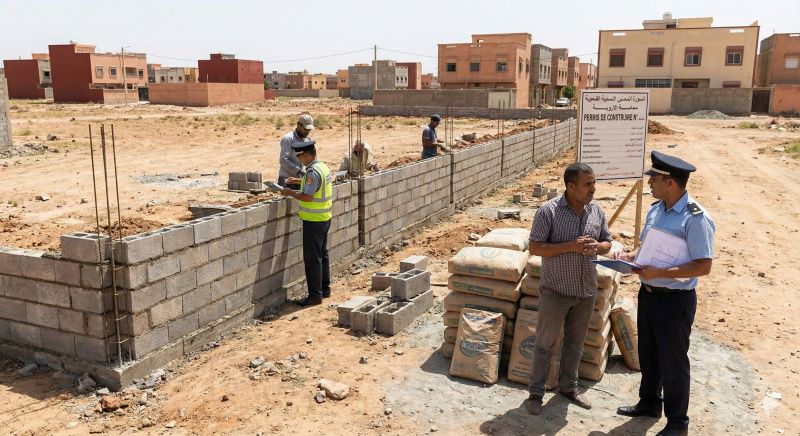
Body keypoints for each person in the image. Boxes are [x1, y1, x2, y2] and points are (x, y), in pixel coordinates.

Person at [616, 151, 715, 436]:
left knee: (673, 362)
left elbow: (703, 265)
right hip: (648, 294)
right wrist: (629, 258)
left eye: (654, 179)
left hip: (675, 301)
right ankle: (649, 404)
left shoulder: (695, 218)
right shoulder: (656, 209)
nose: (649, 184)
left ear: (670, 182)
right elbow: (646, 249)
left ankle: (677, 422)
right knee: (649, 355)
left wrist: (660, 273)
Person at [525, 162, 613, 415]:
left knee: (575, 344)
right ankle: (535, 393)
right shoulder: (548, 212)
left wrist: (597, 246)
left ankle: (568, 388)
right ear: (571, 186)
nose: (593, 189)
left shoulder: (596, 211)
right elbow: (535, 248)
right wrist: (571, 246)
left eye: (594, 183)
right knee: (545, 344)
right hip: (556, 292)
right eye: (588, 184)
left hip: (585, 291)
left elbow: (608, 242)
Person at [280, 140, 333, 307]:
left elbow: (308, 196)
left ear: (309, 154)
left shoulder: (312, 172)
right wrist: (298, 182)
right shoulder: (322, 167)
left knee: (312, 259)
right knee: (322, 256)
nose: (299, 159)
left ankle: (314, 296)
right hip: (324, 218)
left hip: (313, 221)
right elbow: (314, 186)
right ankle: (325, 289)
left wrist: (290, 192)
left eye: (300, 155)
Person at [278, 114, 315, 188]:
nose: (307, 132)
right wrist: (299, 171)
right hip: (287, 181)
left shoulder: (307, 140)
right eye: (305, 129)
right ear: (298, 125)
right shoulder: (288, 139)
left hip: (301, 180)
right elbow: (283, 160)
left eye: (309, 130)